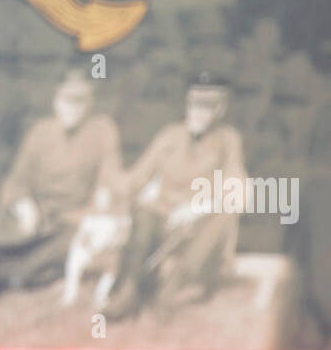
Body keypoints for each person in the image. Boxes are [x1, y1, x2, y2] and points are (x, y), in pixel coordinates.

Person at [0, 69, 121, 300]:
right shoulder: (40, 132)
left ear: (89, 104)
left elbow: (110, 179)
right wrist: (24, 204)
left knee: (68, 246)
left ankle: (5, 277)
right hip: (36, 216)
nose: (72, 108)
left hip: (70, 221)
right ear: (56, 102)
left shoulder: (102, 131)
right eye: (66, 100)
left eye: (79, 101)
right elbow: (15, 181)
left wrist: (103, 197)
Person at [102, 71, 245, 321]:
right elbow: (137, 177)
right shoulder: (170, 135)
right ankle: (129, 291)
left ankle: (171, 291)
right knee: (144, 211)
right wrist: (106, 186)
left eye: (206, 107)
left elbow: (237, 185)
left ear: (219, 110)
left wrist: (199, 207)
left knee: (225, 214)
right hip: (164, 218)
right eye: (193, 106)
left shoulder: (228, 140)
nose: (198, 114)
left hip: (200, 223)